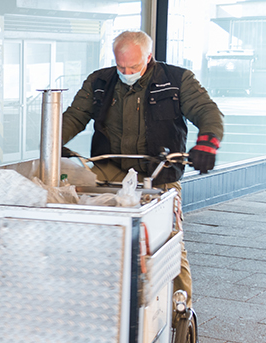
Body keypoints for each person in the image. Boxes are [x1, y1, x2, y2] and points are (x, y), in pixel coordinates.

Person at [62, 30, 224, 300]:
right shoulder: (100, 81)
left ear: (148, 57)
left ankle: (180, 308)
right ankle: (106, 301)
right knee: (103, 238)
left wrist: (207, 144)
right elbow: (74, 116)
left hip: (159, 174)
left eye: (134, 66)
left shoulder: (176, 80)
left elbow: (206, 110)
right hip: (110, 173)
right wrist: (54, 142)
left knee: (167, 243)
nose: (127, 72)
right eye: (121, 66)